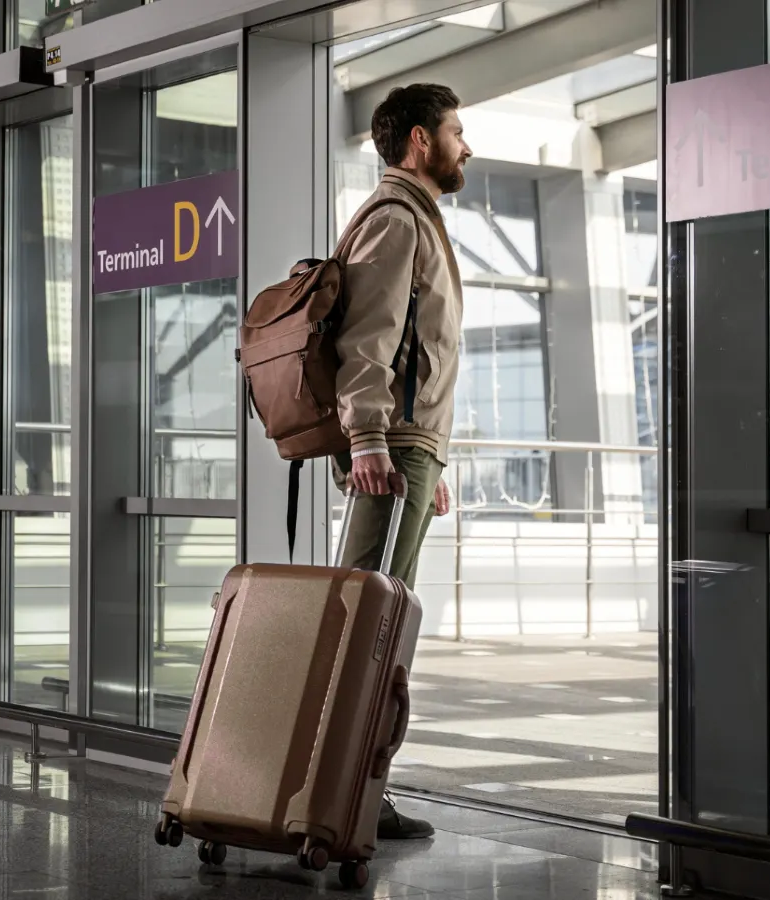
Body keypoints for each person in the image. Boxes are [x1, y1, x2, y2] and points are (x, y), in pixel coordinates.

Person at [334, 83, 470, 840]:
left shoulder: (416, 219)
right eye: (456, 131)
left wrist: (432, 464)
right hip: (393, 449)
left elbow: (420, 351)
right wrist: (371, 440)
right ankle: (345, 794)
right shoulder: (395, 220)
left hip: (412, 450)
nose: (466, 145)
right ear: (420, 142)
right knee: (370, 624)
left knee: (381, 618)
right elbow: (370, 339)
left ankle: (353, 788)